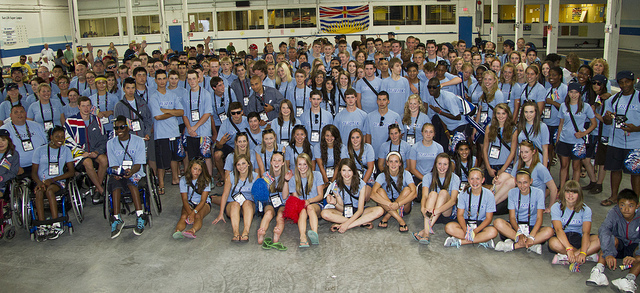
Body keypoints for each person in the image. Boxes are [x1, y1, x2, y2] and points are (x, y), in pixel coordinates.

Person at [586, 189, 640, 291]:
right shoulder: (614, 212)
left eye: (631, 205)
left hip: (635, 246)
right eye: (622, 205)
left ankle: (628, 279)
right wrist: (608, 253)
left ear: (637, 206)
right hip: (618, 245)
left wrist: (638, 256)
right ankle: (599, 271)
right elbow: (604, 230)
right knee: (609, 239)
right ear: (618, 204)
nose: (626, 209)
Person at [494, 169, 554, 253]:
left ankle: (514, 245)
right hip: (516, 228)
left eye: (525, 182)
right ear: (515, 182)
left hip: (532, 227)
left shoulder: (539, 193)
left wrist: (532, 236)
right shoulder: (512, 192)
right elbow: (512, 217)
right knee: (497, 222)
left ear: (531, 181)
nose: (522, 186)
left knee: (549, 231)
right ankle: (531, 245)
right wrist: (519, 233)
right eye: (519, 182)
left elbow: (539, 218)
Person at [602, 71, 640, 204]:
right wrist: (607, 118)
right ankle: (613, 196)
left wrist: (636, 128)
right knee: (615, 170)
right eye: (621, 82)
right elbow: (607, 122)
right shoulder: (613, 99)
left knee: (635, 172)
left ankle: (636, 199)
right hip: (616, 141)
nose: (625, 85)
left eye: (627, 81)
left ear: (633, 81)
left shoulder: (639, 98)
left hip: (635, 142)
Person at [31, 126, 74, 242]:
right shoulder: (39, 150)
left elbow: (71, 172)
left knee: (50, 191)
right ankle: (42, 225)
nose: (60, 139)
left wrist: (53, 179)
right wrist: (40, 183)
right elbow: (34, 172)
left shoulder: (66, 150)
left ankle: (56, 223)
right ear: (51, 137)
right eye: (57, 136)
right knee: (39, 192)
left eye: (62, 137)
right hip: (42, 181)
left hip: (58, 181)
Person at [107, 116, 148, 238]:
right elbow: (113, 164)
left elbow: (139, 163)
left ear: (128, 127)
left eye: (122, 127)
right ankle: (116, 218)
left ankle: (140, 215)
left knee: (132, 181)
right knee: (115, 184)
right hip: (119, 172)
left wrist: (130, 172)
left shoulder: (138, 141)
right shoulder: (110, 143)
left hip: (135, 171)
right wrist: (118, 173)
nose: (119, 130)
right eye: (116, 128)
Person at [63, 96, 109, 204]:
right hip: (79, 155)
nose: (86, 108)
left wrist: (97, 151)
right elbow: (67, 142)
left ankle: (97, 191)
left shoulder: (97, 120)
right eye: (83, 106)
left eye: (88, 105)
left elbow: (104, 139)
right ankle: (101, 190)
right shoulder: (70, 121)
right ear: (78, 106)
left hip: (94, 152)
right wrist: (81, 153)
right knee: (87, 162)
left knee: (104, 160)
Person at [321, 158, 384, 233]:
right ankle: (360, 223)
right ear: (340, 171)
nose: (346, 174)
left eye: (349, 170)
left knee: (380, 210)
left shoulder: (361, 184)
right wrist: (335, 203)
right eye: (344, 170)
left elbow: (360, 210)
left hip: (358, 211)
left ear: (353, 171)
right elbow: (341, 208)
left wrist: (346, 225)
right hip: (344, 212)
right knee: (324, 213)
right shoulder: (335, 185)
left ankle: (347, 224)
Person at [548, 180, 600, 267]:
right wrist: (569, 248)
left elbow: (586, 233)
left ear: (579, 194)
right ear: (563, 193)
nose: (570, 195)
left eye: (574, 192)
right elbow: (558, 230)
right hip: (562, 238)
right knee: (553, 242)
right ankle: (585, 256)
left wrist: (583, 251)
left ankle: (570, 257)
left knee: (600, 239)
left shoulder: (586, 209)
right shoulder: (556, 207)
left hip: (578, 237)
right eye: (567, 192)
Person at [556, 82, 597, 190]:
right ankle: (562, 188)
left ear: (580, 93)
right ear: (568, 93)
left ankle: (575, 189)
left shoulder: (585, 107)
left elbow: (594, 123)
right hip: (564, 140)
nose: (573, 95)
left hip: (578, 143)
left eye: (576, 92)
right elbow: (561, 123)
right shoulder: (563, 106)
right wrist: (558, 138)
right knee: (564, 166)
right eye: (571, 92)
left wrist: (584, 133)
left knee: (576, 167)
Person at [444, 167, 497, 248]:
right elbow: (460, 215)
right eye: (472, 179)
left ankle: (460, 241)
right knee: (449, 227)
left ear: (483, 180)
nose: (474, 182)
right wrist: (466, 230)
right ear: (468, 180)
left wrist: (476, 231)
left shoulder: (489, 195)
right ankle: (482, 239)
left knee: (493, 232)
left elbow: (489, 218)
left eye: (477, 179)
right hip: (466, 223)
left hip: (480, 224)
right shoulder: (463, 193)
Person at [149, 70, 184, 194]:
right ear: (155, 81)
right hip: (161, 134)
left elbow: (181, 112)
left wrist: (165, 110)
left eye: (164, 78)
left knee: (174, 158)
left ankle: (175, 179)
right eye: (159, 79)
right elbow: (157, 117)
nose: (162, 81)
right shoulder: (154, 97)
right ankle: (161, 184)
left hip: (174, 131)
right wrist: (172, 112)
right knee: (162, 160)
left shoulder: (172, 95)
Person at [414, 153, 461, 243]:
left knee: (443, 192)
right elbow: (425, 196)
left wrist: (437, 211)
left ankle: (425, 232)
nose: (442, 167)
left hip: (446, 212)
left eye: (445, 164)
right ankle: (427, 233)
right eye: (439, 164)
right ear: (435, 164)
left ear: (449, 166)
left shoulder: (455, 178)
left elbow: (453, 201)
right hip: (430, 212)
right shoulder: (427, 177)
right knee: (432, 194)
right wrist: (423, 208)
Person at [212, 154, 258, 242]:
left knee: (247, 202)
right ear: (235, 166)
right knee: (235, 204)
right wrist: (221, 213)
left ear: (248, 164)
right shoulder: (231, 176)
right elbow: (225, 194)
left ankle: (245, 232)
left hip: (248, 206)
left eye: (243, 163)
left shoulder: (255, 176)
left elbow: (258, 195)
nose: (241, 167)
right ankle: (236, 233)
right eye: (238, 164)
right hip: (233, 204)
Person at [371, 151, 415, 232]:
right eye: (391, 161)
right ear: (387, 163)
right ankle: (400, 220)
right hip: (386, 205)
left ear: (400, 163)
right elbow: (372, 194)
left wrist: (398, 204)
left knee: (407, 190)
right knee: (379, 191)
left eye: (396, 161)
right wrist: (389, 204)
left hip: (402, 205)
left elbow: (414, 193)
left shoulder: (406, 174)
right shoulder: (382, 175)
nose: (393, 164)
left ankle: (387, 216)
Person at [256, 151, 292, 247]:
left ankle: (277, 233)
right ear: (270, 162)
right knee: (268, 213)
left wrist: (286, 181)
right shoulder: (266, 175)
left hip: (283, 203)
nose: (276, 163)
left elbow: (285, 196)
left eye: (279, 160)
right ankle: (261, 231)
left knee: (280, 216)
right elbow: (263, 195)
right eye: (274, 160)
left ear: (283, 163)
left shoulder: (287, 174)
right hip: (270, 202)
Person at [0, 105, 47, 175]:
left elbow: (47, 144)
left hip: (40, 165)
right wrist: (13, 167)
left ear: (25, 113)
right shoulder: (4, 130)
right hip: (19, 168)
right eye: (16, 112)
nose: (19, 114)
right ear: (10, 115)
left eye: (21, 111)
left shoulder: (37, 126)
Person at [173, 158, 211, 239]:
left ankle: (192, 230)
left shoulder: (206, 181)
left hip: (203, 203)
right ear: (190, 168)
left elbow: (203, 201)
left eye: (199, 170)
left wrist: (193, 213)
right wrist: (190, 213)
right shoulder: (183, 180)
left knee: (198, 216)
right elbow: (184, 199)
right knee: (183, 216)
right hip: (190, 202)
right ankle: (177, 231)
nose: (197, 172)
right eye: (195, 169)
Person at [482, 103, 517, 185]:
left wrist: (503, 169)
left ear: (508, 114)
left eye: (503, 113)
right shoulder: (489, 127)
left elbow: (513, 152)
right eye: (498, 113)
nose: (501, 116)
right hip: (491, 165)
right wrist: (488, 167)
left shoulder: (513, 130)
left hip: (505, 165)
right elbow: (485, 148)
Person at [588, 74, 611, 195]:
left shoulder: (607, 99)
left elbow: (607, 120)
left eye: (598, 83)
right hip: (592, 132)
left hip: (603, 133)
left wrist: (594, 114)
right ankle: (593, 180)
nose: (595, 85)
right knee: (586, 159)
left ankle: (599, 184)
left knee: (601, 161)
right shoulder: (593, 97)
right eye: (593, 83)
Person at [363, 91, 402, 159]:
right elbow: (368, 135)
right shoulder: (370, 116)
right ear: (376, 101)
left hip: (391, 154)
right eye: (379, 99)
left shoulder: (395, 116)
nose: (381, 102)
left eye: (384, 100)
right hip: (375, 154)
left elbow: (400, 135)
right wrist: (369, 152)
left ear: (388, 101)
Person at [518, 100, 549, 165]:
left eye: (531, 112)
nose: (528, 115)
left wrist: (544, 168)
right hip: (524, 162)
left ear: (535, 112)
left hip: (537, 162)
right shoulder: (520, 126)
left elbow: (545, 149)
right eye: (526, 112)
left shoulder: (542, 127)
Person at [0, 129, 20, 216]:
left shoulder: (13, 154)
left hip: (4, 185)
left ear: (8, 141)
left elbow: (13, 173)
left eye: (3, 140)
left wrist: (2, 178)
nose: (1, 143)